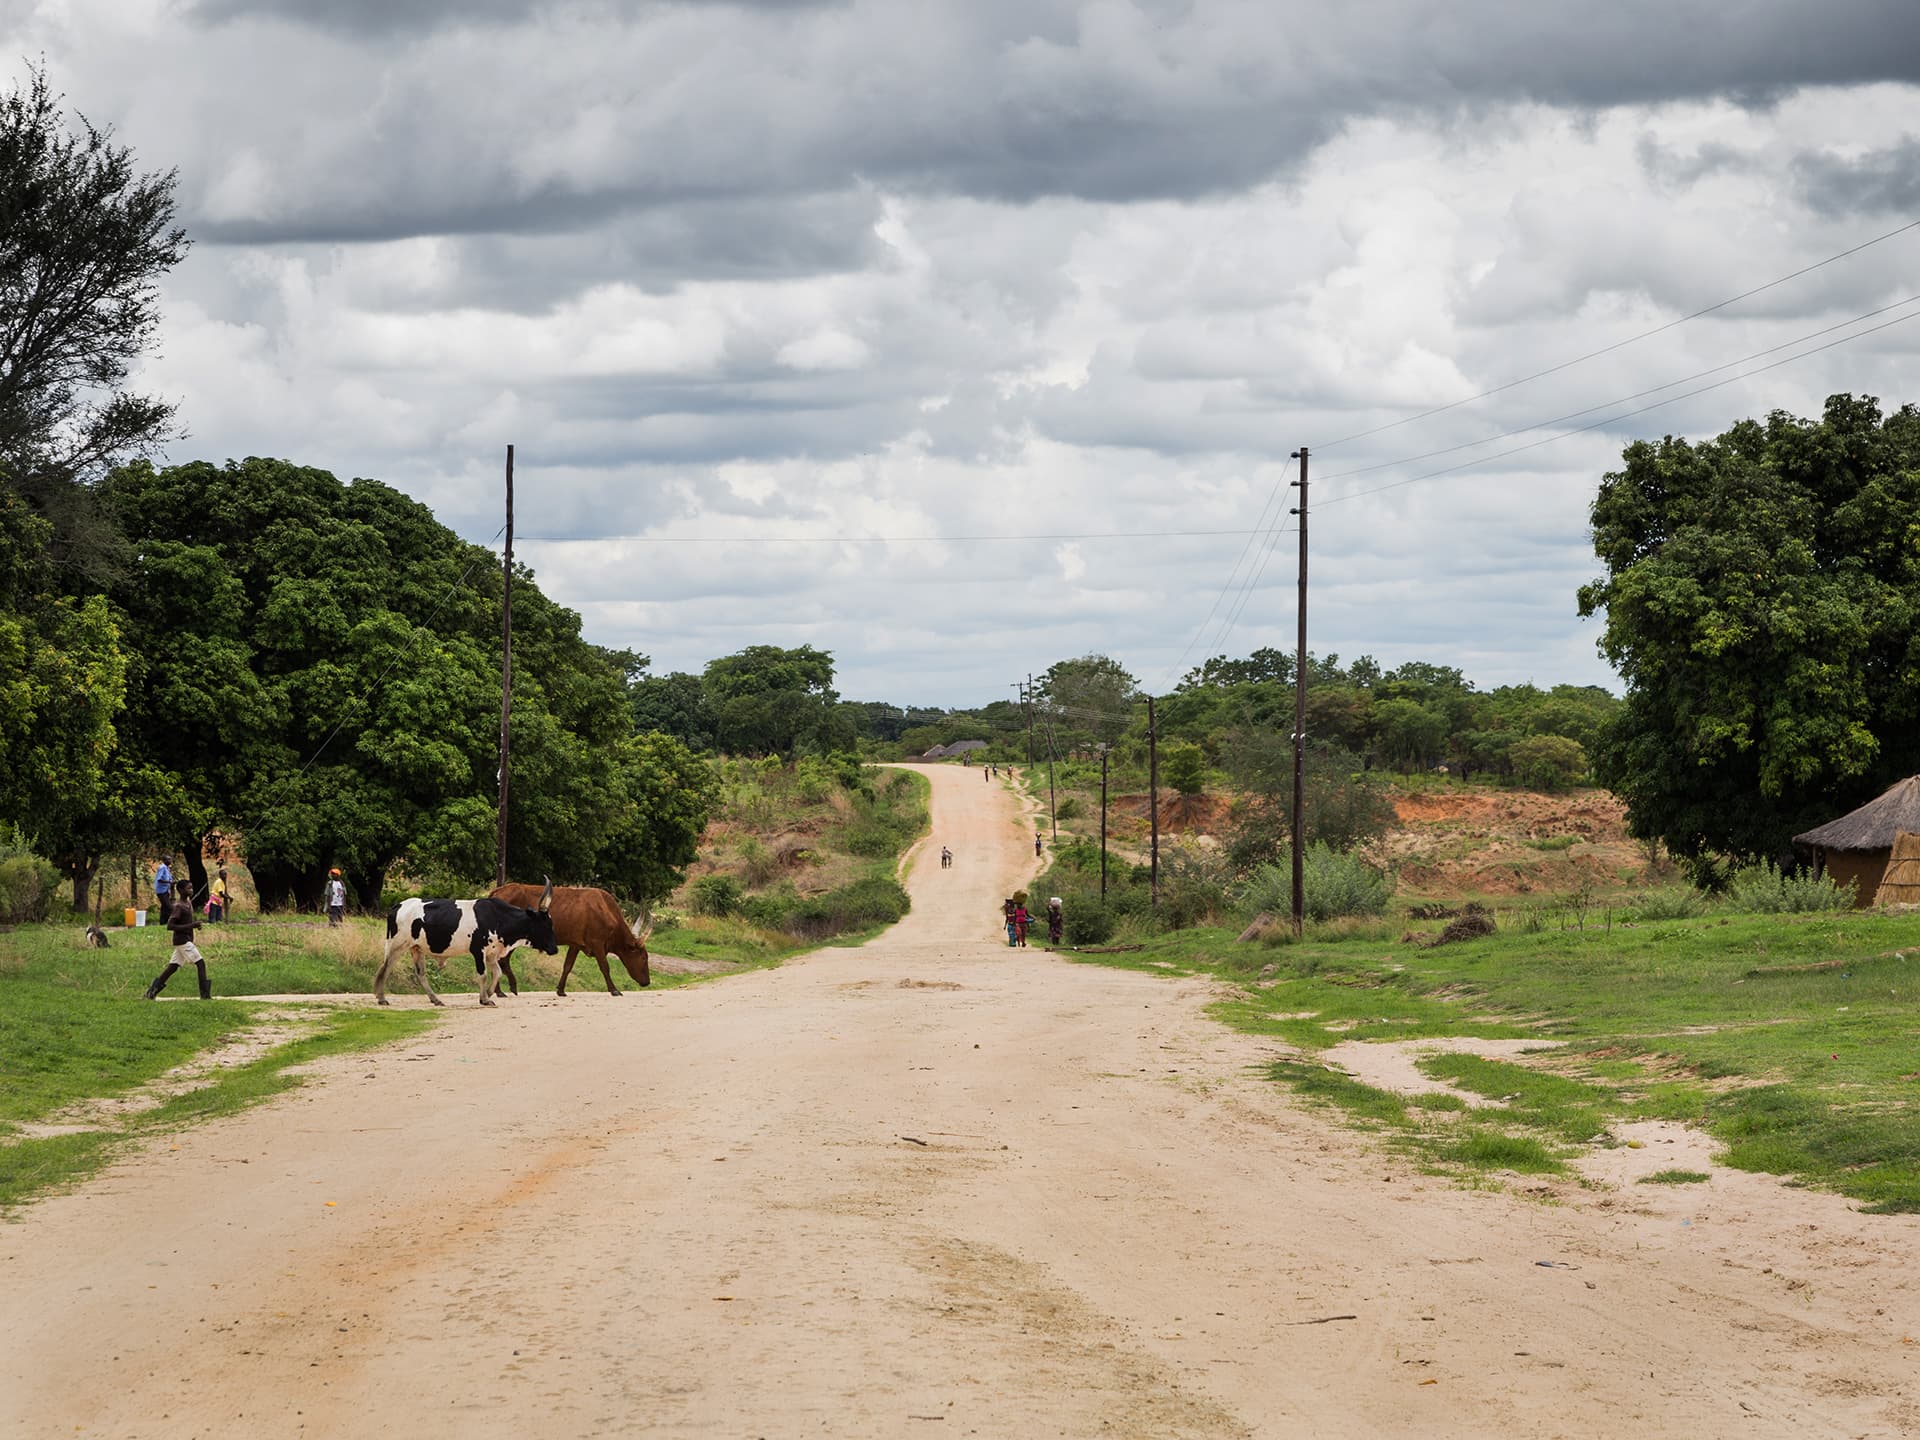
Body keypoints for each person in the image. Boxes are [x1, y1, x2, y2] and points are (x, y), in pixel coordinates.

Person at [144, 889, 210, 1000]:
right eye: (188, 888)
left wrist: (194, 925)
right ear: (181, 890)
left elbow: (185, 922)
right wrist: (192, 925)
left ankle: (151, 993)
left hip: (184, 940)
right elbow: (170, 926)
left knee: (172, 967)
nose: (191, 890)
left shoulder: (188, 903)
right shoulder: (179, 906)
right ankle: (205, 995)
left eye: (192, 887)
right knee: (200, 963)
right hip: (183, 941)